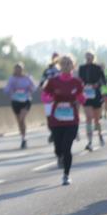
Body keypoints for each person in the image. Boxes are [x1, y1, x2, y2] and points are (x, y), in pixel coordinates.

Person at [43, 54, 85, 185]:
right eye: (64, 63)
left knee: (67, 148)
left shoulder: (77, 82)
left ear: (73, 66)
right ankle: (59, 156)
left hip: (72, 120)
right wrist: (49, 99)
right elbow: (45, 95)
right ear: (59, 66)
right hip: (57, 120)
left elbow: (81, 97)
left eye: (69, 63)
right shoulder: (53, 81)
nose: (66, 66)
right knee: (58, 148)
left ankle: (66, 175)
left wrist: (82, 100)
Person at [3, 62, 36, 148]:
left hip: (26, 100)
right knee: (19, 121)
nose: (18, 70)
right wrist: (10, 91)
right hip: (16, 101)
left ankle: (24, 137)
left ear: (22, 69)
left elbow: (34, 87)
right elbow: (7, 89)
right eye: (16, 68)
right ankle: (23, 138)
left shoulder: (27, 78)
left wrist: (30, 89)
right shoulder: (12, 79)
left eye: (20, 68)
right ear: (14, 70)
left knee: (22, 119)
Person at [78, 52, 106, 150]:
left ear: (93, 58)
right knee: (89, 118)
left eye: (90, 57)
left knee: (97, 120)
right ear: (85, 58)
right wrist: (83, 86)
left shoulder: (98, 68)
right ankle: (89, 142)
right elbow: (79, 80)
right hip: (86, 95)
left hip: (96, 95)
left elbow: (104, 81)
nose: (88, 58)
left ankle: (100, 135)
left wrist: (97, 85)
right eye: (87, 57)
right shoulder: (81, 68)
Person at [40, 53, 60, 144]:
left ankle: (58, 133)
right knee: (49, 117)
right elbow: (41, 83)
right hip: (48, 96)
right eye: (53, 57)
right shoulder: (47, 70)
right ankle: (53, 132)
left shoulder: (61, 70)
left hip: (59, 96)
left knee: (58, 116)